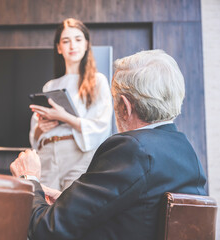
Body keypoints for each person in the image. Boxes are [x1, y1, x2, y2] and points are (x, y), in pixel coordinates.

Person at [11, 49, 207, 240]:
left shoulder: (131, 149)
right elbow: (139, 211)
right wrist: (68, 201)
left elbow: (46, 229)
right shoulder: (186, 151)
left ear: (125, 106)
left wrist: (28, 178)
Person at [29, 18, 113, 191]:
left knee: (69, 212)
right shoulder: (50, 86)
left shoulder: (98, 81)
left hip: (77, 154)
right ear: (59, 48)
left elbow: (102, 127)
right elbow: (35, 134)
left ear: (87, 44)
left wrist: (64, 117)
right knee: (41, 208)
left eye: (78, 39)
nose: (72, 46)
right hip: (46, 154)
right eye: (66, 41)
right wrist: (41, 127)